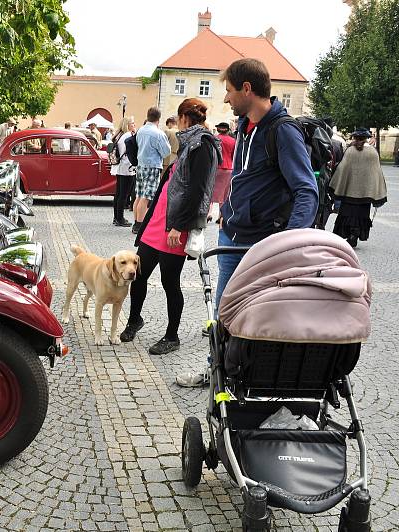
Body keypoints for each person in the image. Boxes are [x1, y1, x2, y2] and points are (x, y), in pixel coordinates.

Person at [177, 58, 318, 388]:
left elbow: (306, 191)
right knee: (222, 312)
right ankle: (216, 373)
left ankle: (257, 378)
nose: (225, 99)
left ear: (247, 89)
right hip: (232, 237)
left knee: (259, 316)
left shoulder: (283, 130)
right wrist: (227, 208)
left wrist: (287, 244)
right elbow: (243, 178)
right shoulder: (245, 127)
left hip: (262, 246)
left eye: (228, 91)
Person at [120, 98, 220, 355]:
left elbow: (198, 191)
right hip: (158, 222)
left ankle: (172, 336)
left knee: (170, 281)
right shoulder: (190, 142)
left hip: (175, 225)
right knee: (139, 274)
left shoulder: (203, 144)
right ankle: (135, 320)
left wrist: (177, 226)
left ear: (184, 118)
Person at [328, 128, 388, 247]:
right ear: (366, 138)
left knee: (347, 214)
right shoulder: (372, 152)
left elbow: (342, 169)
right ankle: (354, 236)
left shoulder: (350, 151)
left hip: (349, 191)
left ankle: (348, 234)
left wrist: (336, 185)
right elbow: (376, 172)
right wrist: (377, 190)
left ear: (354, 138)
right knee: (361, 215)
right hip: (365, 193)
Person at [132, 107, 171, 234]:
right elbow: (166, 152)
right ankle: (139, 225)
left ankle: (136, 222)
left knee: (139, 195)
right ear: (159, 118)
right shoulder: (158, 133)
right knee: (146, 197)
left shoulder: (141, 130)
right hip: (152, 166)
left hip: (141, 165)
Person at [110, 116, 136, 227]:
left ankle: (116, 217)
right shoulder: (128, 135)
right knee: (124, 194)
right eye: (133, 123)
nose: (134, 125)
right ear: (128, 125)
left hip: (120, 166)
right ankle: (120, 218)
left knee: (118, 193)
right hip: (127, 167)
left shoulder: (119, 135)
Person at [213, 122, 235, 205]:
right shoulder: (233, 141)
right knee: (224, 194)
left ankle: (208, 214)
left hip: (216, 167)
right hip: (229, 168)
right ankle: (221, 215)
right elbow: (234, 156)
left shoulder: (214, 138)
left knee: (210, 191)